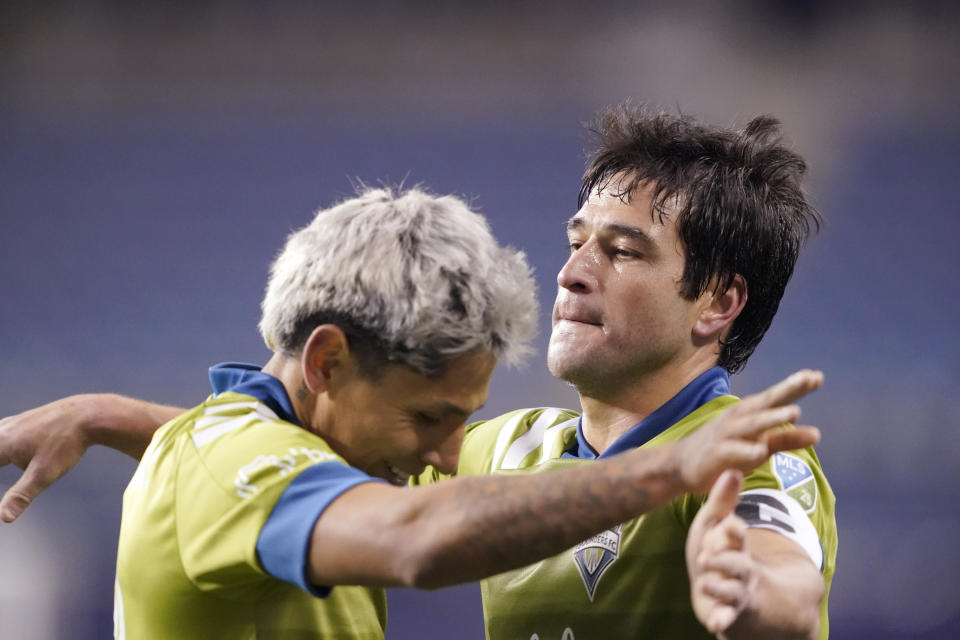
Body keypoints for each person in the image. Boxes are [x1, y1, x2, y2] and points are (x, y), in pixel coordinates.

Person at [0, 106, 835, 639]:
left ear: (718, 302)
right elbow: (314, 456)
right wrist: (104, 413)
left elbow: (786, 579)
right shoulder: (514, 446)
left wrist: (752, 595)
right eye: (576, 241)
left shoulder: (743, 452)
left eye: (620, 252)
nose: (574, 272)